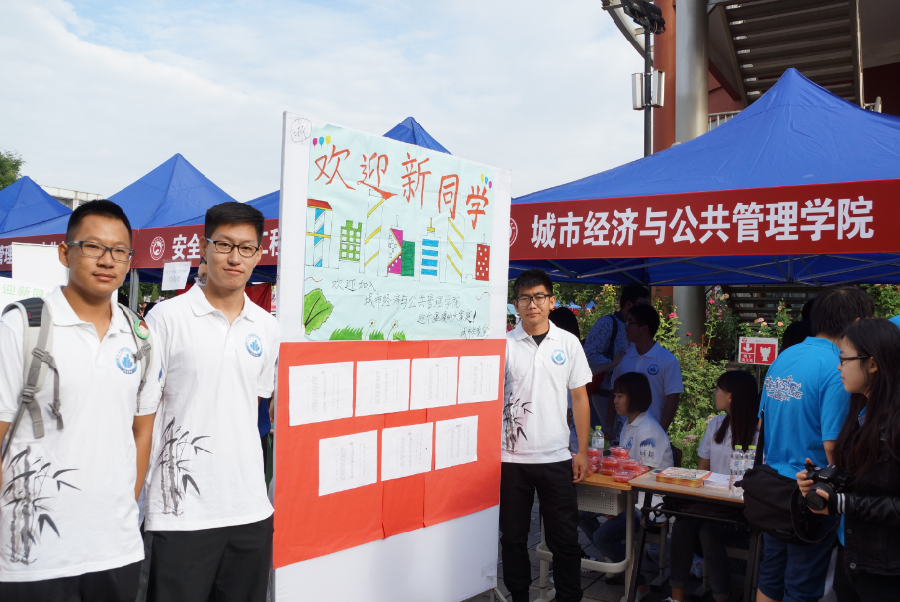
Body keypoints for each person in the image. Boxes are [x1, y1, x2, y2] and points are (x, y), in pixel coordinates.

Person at [0, 201, 160, 601]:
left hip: (116, 548)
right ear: (64, 252)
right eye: (93, 247)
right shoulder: (22, 326)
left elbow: (142, 430)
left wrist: (123, 504)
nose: (107, 260)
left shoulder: (139, 334)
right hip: (34, 554)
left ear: (129, 260)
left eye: (119, 250)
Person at [142, 202, 280, 602]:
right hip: (180, 511)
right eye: (224, 245)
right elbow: (143, 415)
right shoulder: (166, 318)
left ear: (258, 254)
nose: (235, 258)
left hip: (249, 507)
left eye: (246, 248)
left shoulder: (267, 327)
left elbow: (254, 405)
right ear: (203, 248)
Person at [756, 285, 873, 602]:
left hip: (773, 489)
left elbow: (761, 423)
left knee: (770, 578)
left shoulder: (786, 356)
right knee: (802, 587)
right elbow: (833, 446)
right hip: (812, 494)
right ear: (856, 323)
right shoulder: (839, 366)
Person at [501, 269, 593, 602]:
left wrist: (581, 451)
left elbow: (580, 398)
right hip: (510, 459)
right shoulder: (504, 345)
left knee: (565, 539)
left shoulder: (568, 343)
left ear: (552, 302)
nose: (532, 305)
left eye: (539, 297)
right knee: (513, 538)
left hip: (556, 457)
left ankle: (569, 597)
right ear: (516, 304)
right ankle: (519, 596)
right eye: (524, 298)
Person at [796, 318, 900, 602]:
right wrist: (823, 481)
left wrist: (842, 503)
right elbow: (867, 482)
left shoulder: (893, 424)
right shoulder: (861, 413)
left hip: (887, 572)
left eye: (844, 359)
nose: (839, 367)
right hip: (853, 556)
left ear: (873, 363)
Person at [579, 372, 673, 602]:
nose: (615, 401)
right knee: (580, 513)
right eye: (615, 395)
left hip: (649, 503)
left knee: (603, 536)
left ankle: (639, 583)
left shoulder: (648, 430)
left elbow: (645, 478)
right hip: (627, 496)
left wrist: (616, 505)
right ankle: (614, 558)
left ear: (635, 398)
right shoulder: (629, 425)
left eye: (620, 396)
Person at [666, 370, 759, 602]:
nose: (715, 393)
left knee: (709, 532)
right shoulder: (716, 424)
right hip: (712, 504)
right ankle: (676, 597)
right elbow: (702, 470)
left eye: (718, 388)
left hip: (741, 509)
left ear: (731, 396)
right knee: (682, 524)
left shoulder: (759, 432)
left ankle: (722, 597)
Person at [584, 284, 650, 432]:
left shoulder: (639, 326)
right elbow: (589, 354)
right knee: (616, 435)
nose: (646, 309)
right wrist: (614, 365)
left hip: (630, 393)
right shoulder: (607, 323)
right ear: (629, 304)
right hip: (606, 392)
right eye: (643, 304)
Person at [609, 303, 682, 434]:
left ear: (644, 328)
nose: (626, 327)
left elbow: (672, 399)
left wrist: (659, 433)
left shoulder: (667, 360)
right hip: (623, 433)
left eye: (630, 323)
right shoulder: (623, 357)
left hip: (651, 433)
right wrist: (609, 425)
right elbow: (614, 392)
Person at [549, 307, 583, 453]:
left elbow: (567, 407)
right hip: (568, 439)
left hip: (562, 442)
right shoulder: (574, 351)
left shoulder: (561, 357)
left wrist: (566, 446)